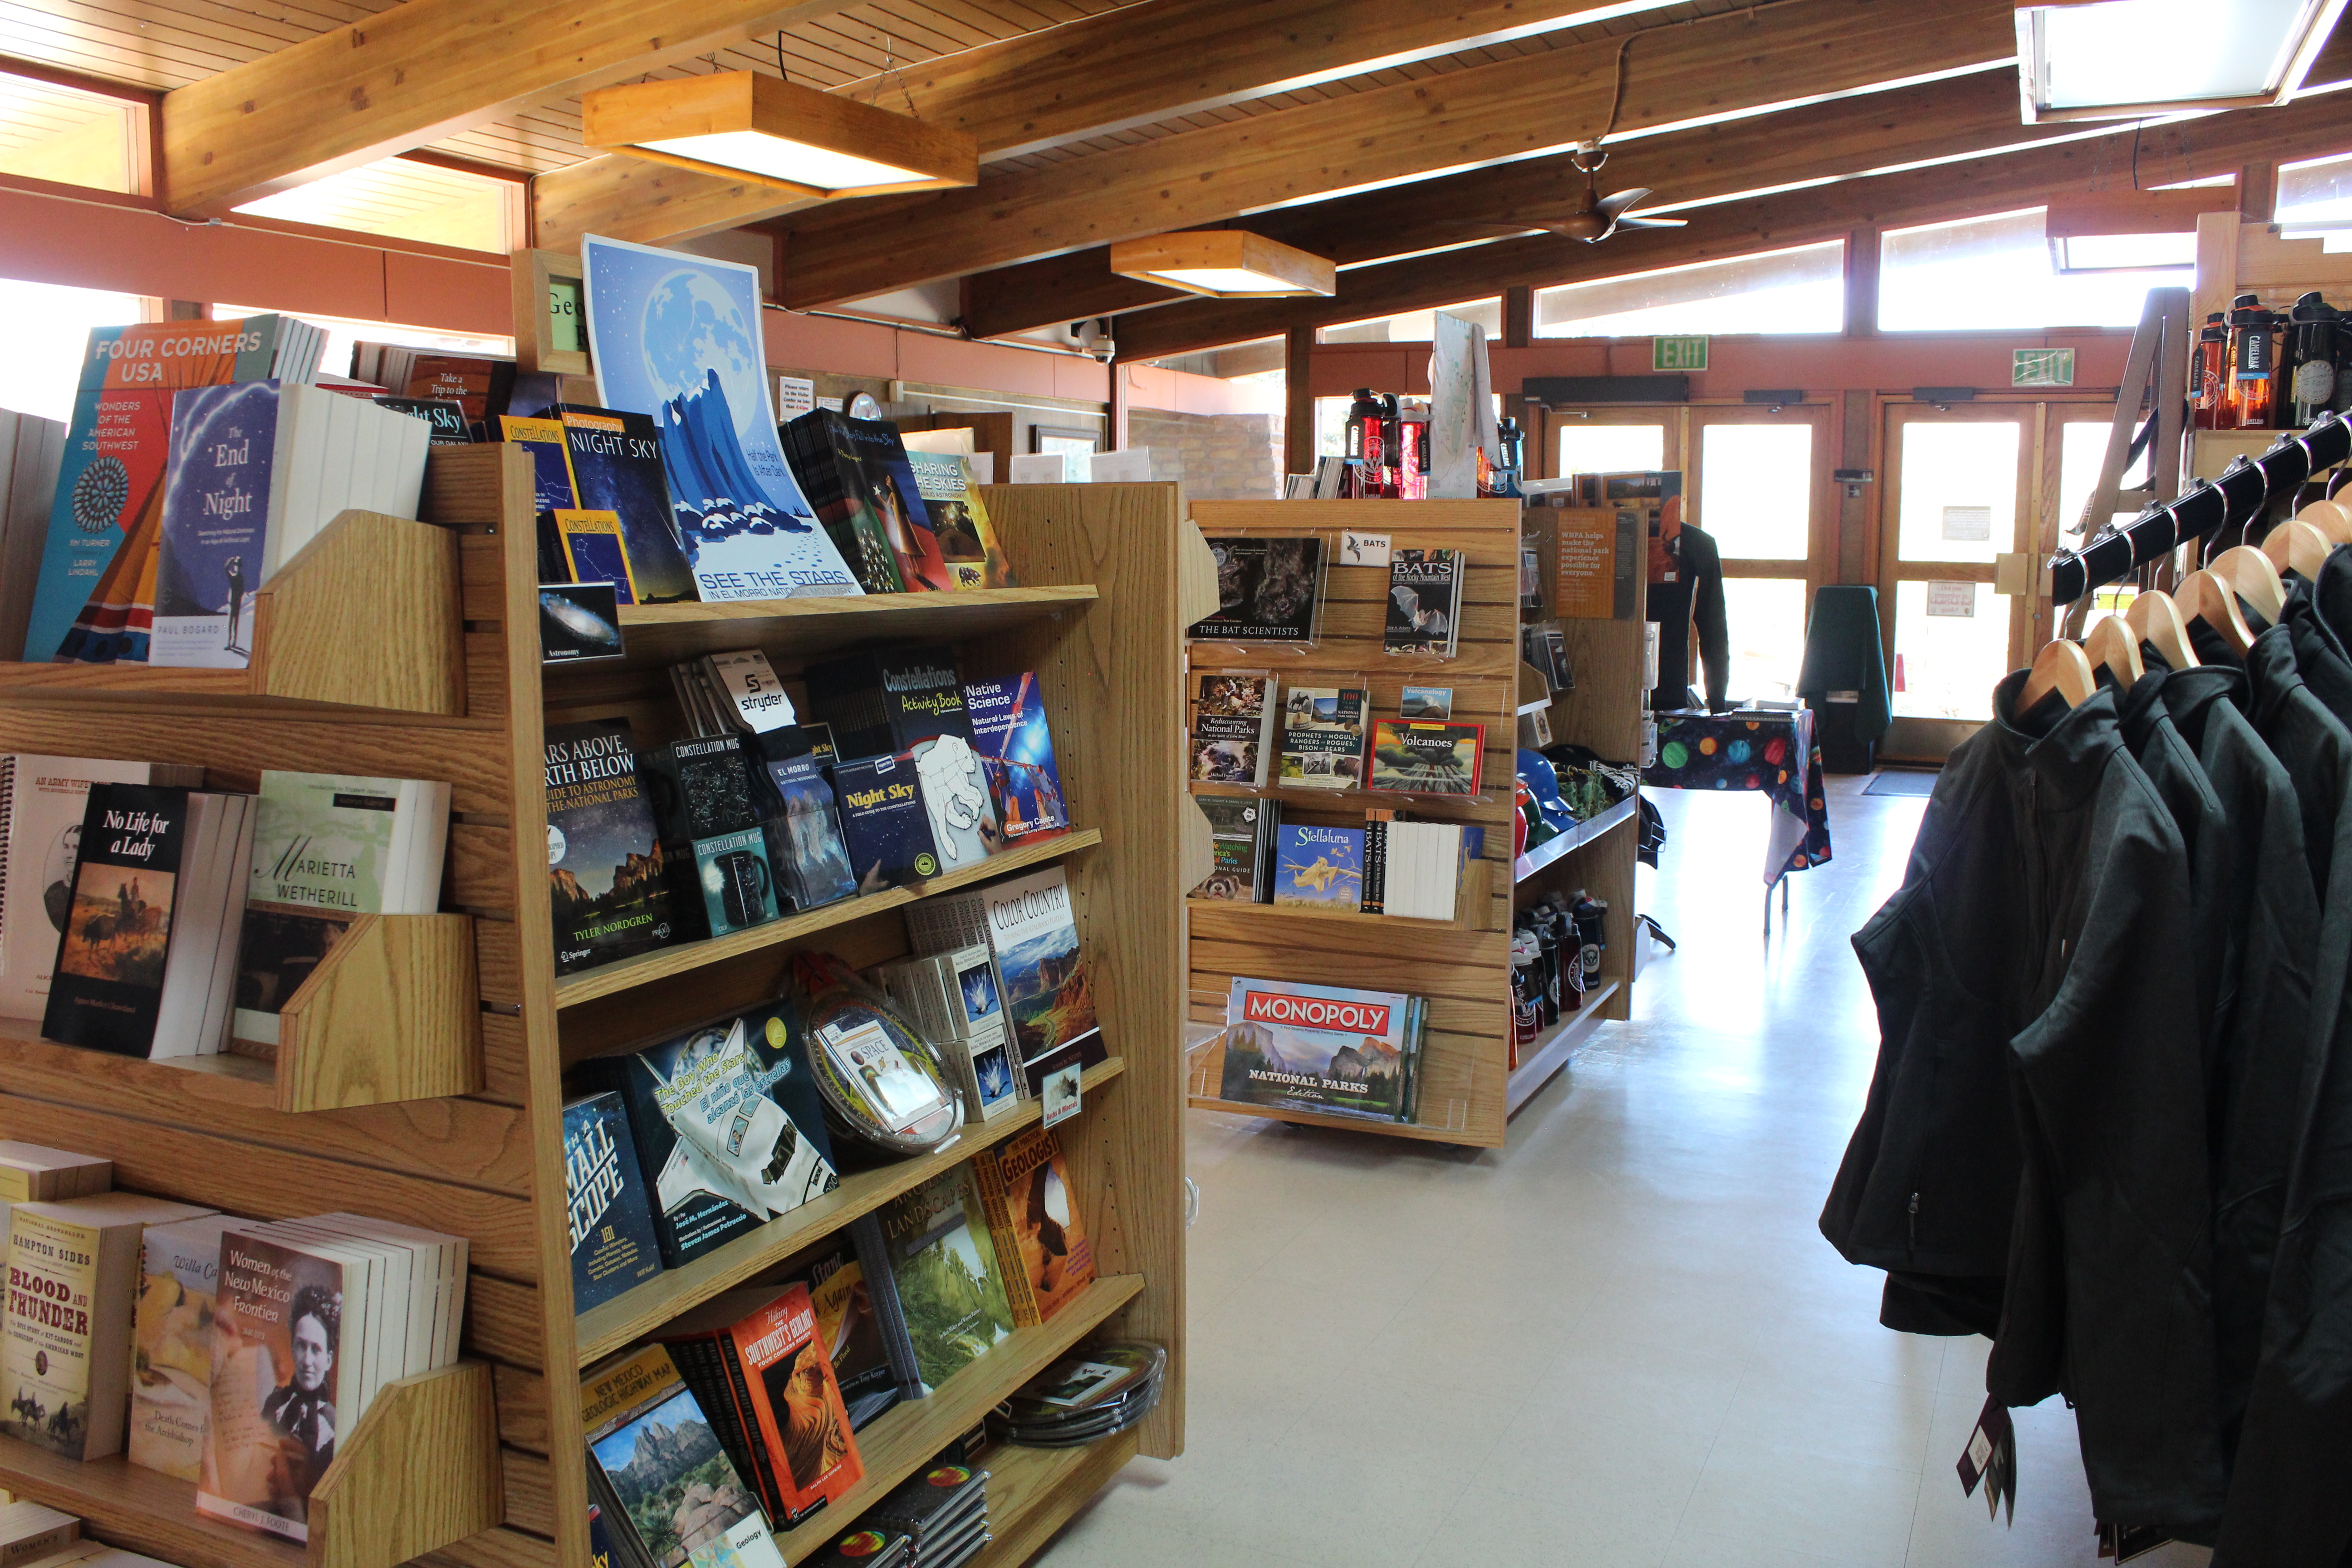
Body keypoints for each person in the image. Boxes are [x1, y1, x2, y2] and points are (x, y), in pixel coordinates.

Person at [264, 1284, 338, 1474]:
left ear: (329, 1360)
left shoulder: (334, 1426)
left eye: (316, 1349)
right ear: (292, 1349)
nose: (307, 1361)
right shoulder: (275, 1404)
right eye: (301, 1346)